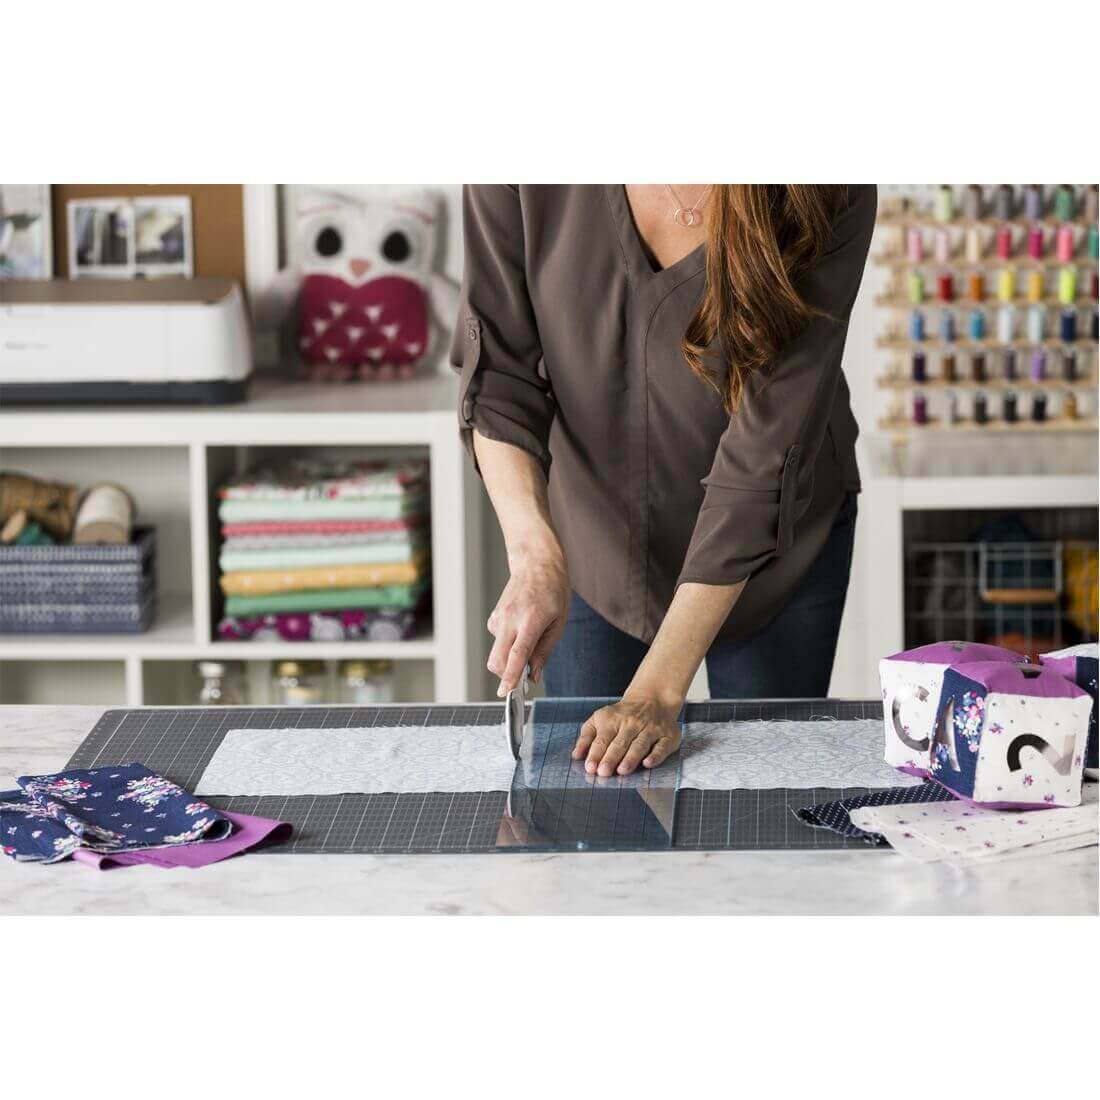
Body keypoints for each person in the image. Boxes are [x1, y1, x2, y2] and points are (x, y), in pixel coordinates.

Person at [451, 184, 876, 778]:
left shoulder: (822, 185)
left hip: (775, 543)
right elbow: (498, 375)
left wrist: (656, 690)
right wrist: (534, 558)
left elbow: (766, 450)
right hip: (591, 540)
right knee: (593, 814)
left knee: (760, 807)